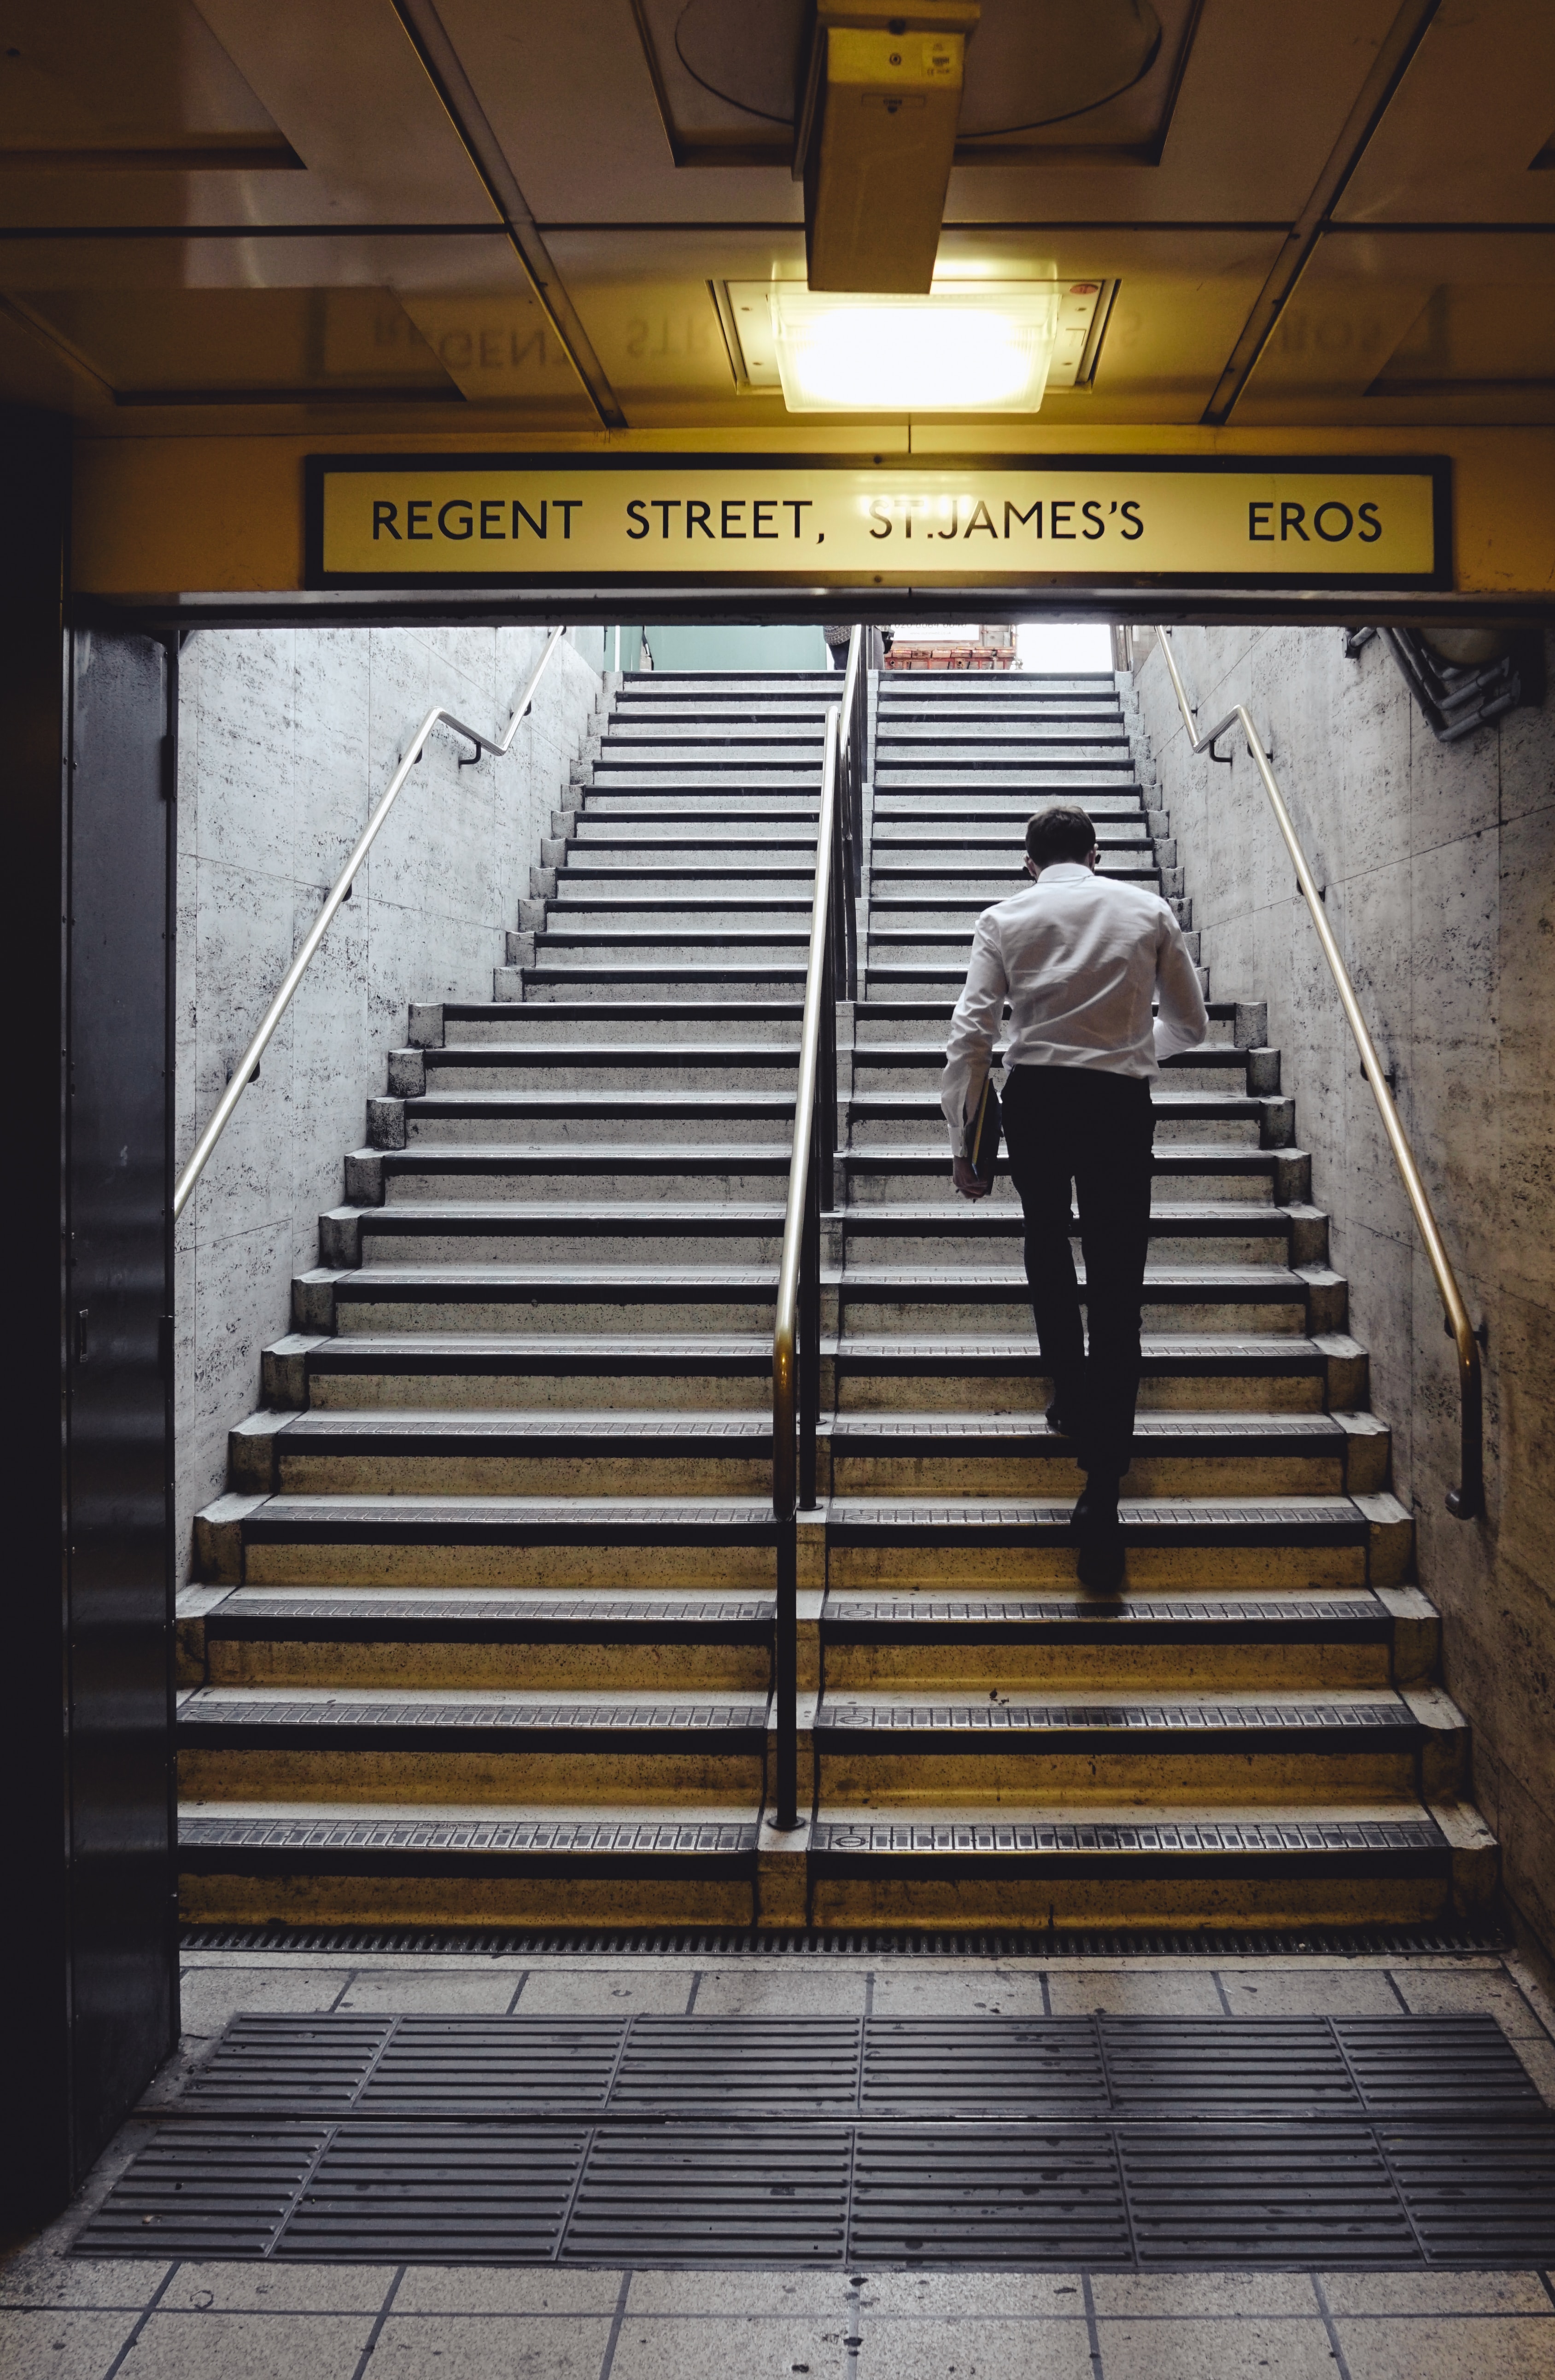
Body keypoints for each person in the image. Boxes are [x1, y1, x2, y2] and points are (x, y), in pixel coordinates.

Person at [941, 803, 1209, 1590]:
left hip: (1039, 1102)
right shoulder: (1147, 910)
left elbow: (972, 1035)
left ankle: (1067, 1387)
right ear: (1096, 852)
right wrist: (1127, 1055)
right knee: (1119, 1279)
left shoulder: (1004, 917)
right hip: (1120, 1105)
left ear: (1029, 861)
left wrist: (965, 1144)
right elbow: (1189, 1027)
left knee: (1047, 1241)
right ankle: (1105, 1484)